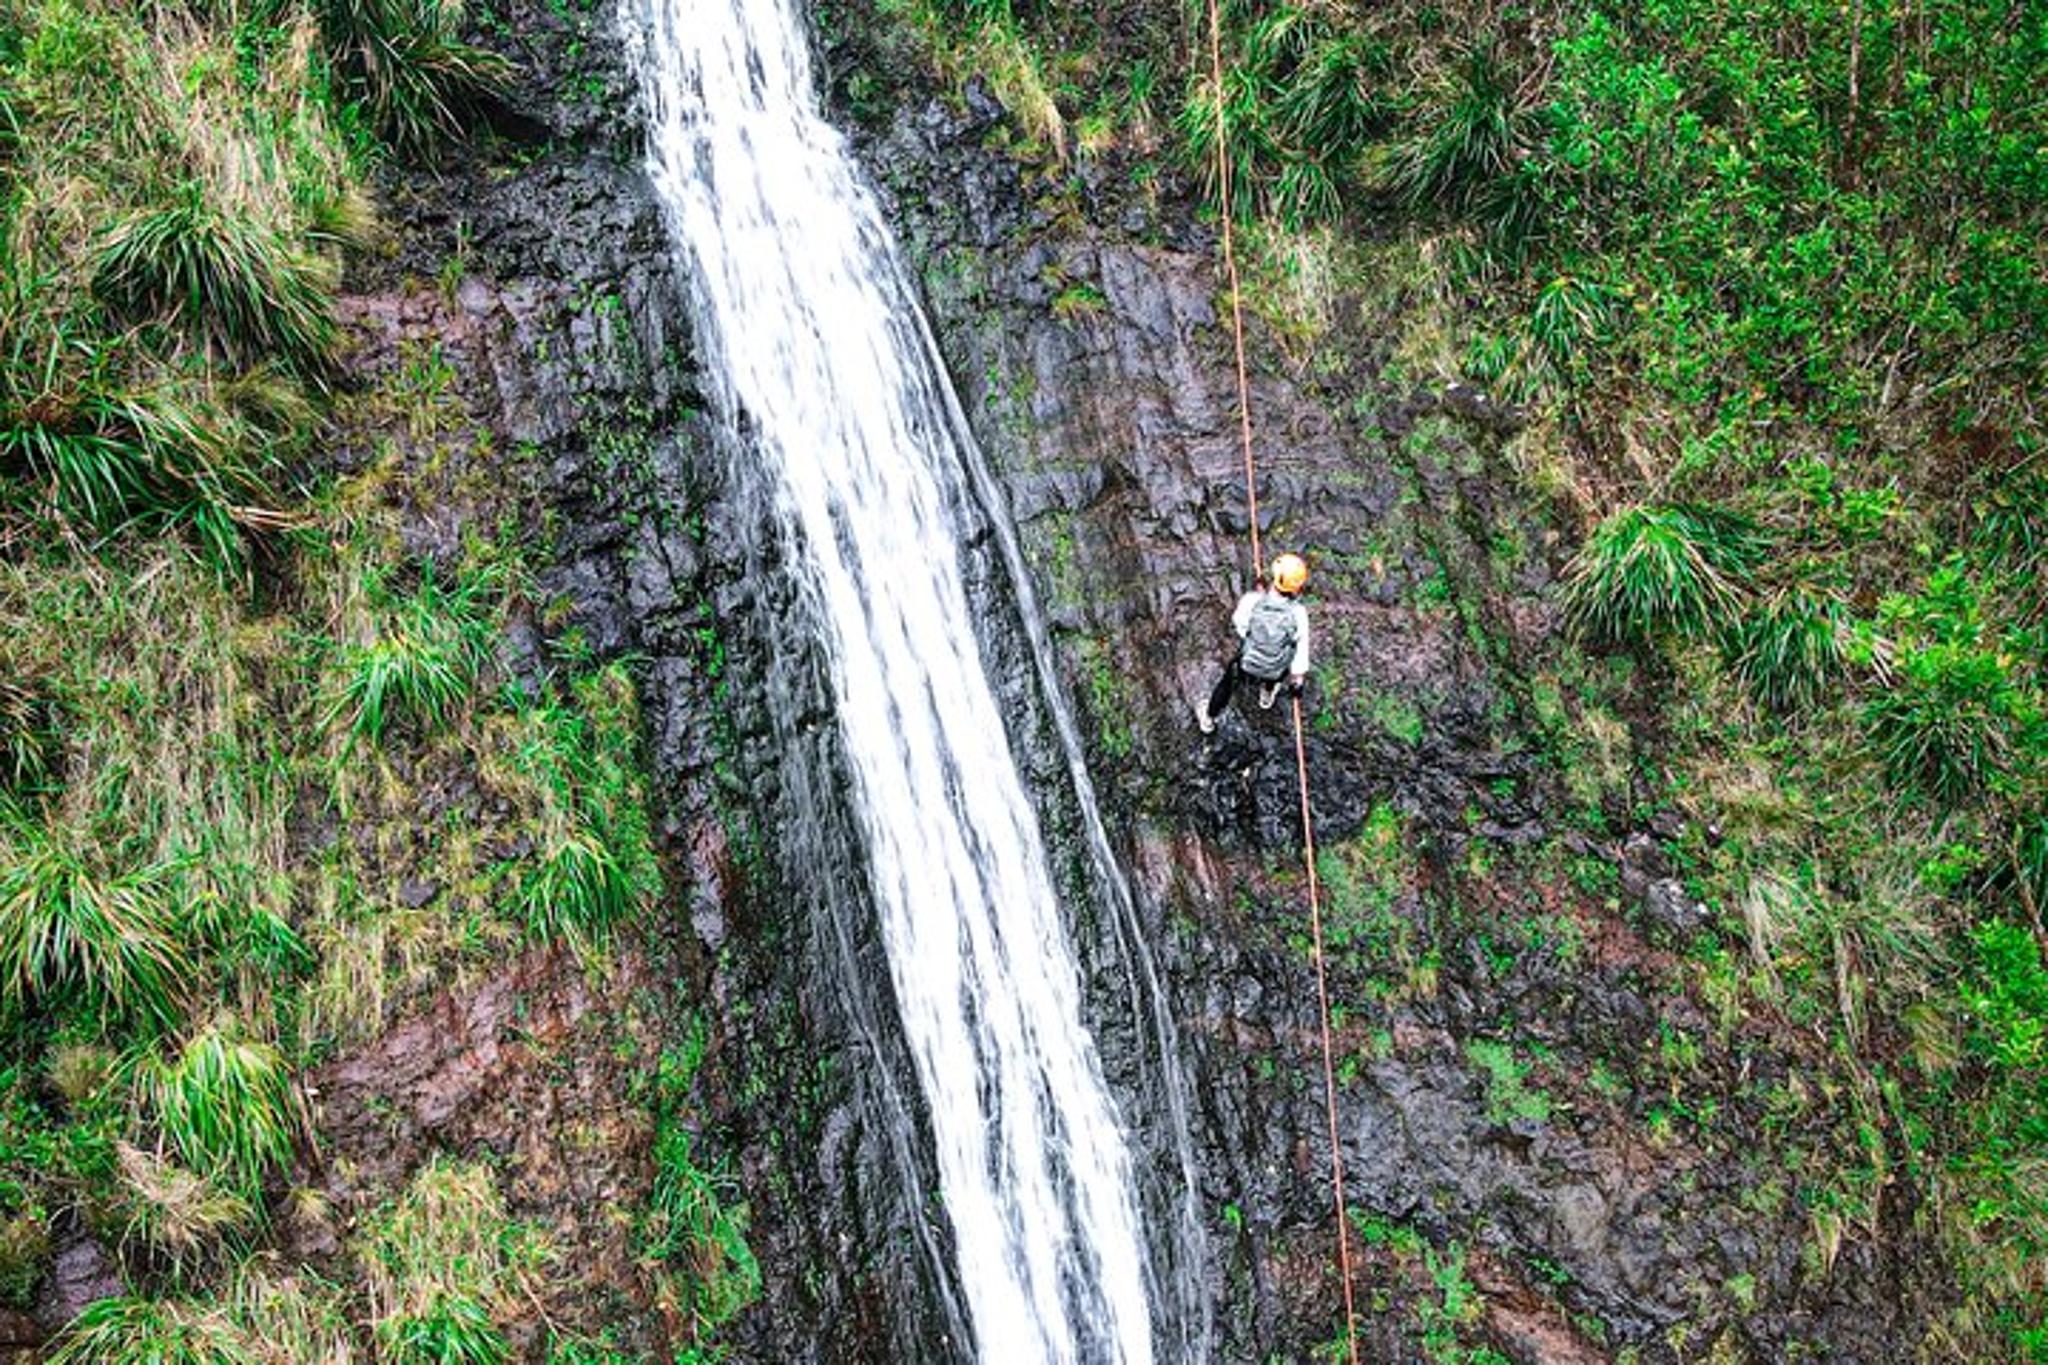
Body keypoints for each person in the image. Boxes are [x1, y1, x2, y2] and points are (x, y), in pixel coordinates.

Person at [1198, 552, 1310, 734]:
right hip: (1275, 667)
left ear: (1274, 577)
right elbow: (1301, 650)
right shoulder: (1299, 613)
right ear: (1297, 587)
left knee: (1226, 685)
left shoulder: (1252, 600)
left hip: (1248, 661)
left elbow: (1239, 624)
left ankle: (1209, 718)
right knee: (1277, 667)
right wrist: (1297, 681)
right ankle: (1266, 695)